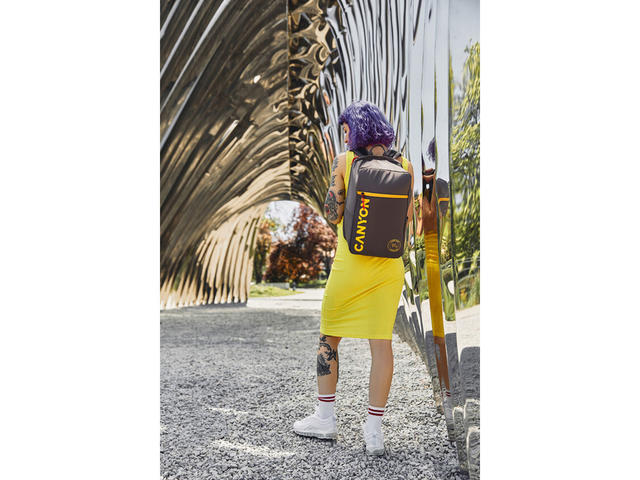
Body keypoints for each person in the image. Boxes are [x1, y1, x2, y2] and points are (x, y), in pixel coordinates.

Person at [292, 101, 414, 456]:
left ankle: (325, 418)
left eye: (346, 131)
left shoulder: (345, 161)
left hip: (351, 265)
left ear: (357, 129)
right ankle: (373, 432)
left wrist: (338, 185)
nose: (345, 137)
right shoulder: (405, 165)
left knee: (329, 337)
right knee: (381, 345)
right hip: (388, 268)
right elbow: (408, 220)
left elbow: (332, 214)